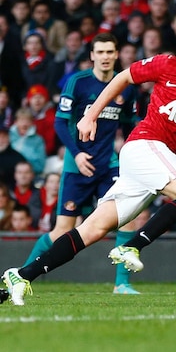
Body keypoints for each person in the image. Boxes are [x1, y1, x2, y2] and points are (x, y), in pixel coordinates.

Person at [3, 23, 176, 306]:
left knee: (91, 230)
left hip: (157, 163)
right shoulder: (168, 64)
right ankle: (132, 246)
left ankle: (20, 276)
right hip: (144, 145)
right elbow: (125, 77)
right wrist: (91, 114)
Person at [20, 33, 141, 295]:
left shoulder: (126, 86)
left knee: (127, 219)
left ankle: (122, 284)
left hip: (108, 164)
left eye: (110, 52)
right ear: (92, 56)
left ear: (117, 54)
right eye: (101, 52)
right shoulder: (77, 82)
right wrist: (76, 154)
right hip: (77, 166)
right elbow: (60, 123)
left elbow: (132, 124)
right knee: (63, 230)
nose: (106, 57)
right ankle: (22, 277)